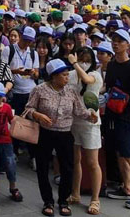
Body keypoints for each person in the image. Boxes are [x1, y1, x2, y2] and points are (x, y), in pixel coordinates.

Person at [27, 59, 99, 217]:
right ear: (53, 76)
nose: (67, 78)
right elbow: (28, 109)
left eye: (67, 74)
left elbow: (80, 110)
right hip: (45, 133)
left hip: (65, 133)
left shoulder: (71, 91)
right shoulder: (39, 90)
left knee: (68, 168)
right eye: (64, 75)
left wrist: (90, 116)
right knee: (43, 167)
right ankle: (48, 201)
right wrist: (38, 115)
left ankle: (63, 200)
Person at [104, 29, 130, 210]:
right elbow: (109, 87)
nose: (115, 43)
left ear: (128, 45)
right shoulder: (112, 65)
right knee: (121, 152)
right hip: (113, 112)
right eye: (114, 40)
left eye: (120, 41)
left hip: (129, 115)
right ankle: (127, 187)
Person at [66, 47, 103, 215]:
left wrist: (74, 63)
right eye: (80, 58)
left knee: (92, 162)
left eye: (87, 59)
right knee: (75, 160)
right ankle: (75, 193)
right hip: (74, 120)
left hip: (90, 122)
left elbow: (87, 79)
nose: (83, 61)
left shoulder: (96, 74)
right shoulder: (72, 74)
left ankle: (95, 199)